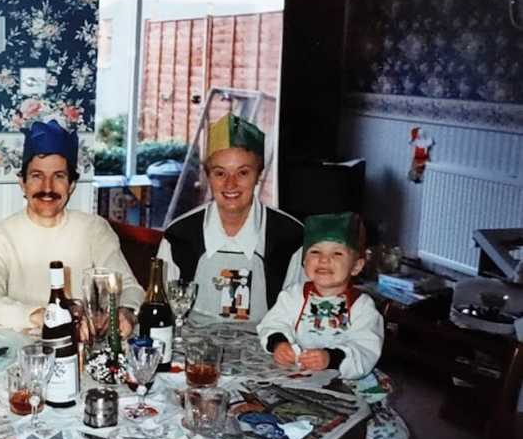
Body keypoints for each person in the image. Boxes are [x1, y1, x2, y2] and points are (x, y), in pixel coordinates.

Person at [0, 119, 143, 336]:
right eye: (37, 176)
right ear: (22, 183)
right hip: (21, 350)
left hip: (83, 345)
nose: (47, 187)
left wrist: (125, 312)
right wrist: (41, 315)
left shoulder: (94, 230)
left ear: (71, 185)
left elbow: (130, 288)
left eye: (59, 176)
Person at [157, 114, 304, 329]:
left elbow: (300, 313)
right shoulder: (179, 235)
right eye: (220, 173)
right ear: (208, 176)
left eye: (243, 172)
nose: (230, 184)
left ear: (258, 175)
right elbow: (161, 308)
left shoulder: (290, 236)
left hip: (267, 351)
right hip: (194, 352)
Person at [257, 212, 384, 380]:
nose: (324, 259)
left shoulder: (362, 307)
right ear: (304, 261)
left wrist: (331, 359)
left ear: (356, 266)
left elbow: (365, 349)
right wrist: (279, 344)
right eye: (315, 252)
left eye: (337, 253)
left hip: (342, 381)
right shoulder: (293, 295)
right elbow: (273, 323)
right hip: (295, 376)